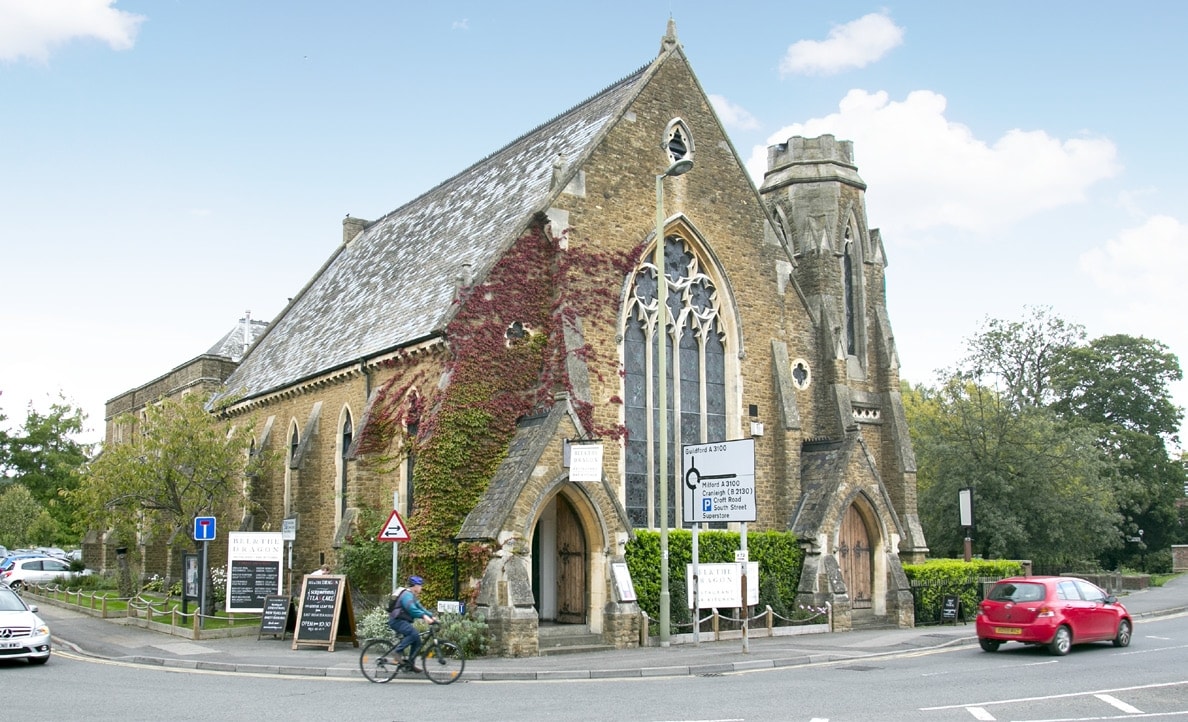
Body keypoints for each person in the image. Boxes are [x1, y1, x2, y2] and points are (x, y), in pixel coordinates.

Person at [387, 575, 437, 672]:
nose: (421, 587)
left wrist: (431, 616)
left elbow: (420, 607)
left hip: (402, 621)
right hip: (396, 621)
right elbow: (411, 609)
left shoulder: (412, 596)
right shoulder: (407, 595)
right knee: (413, 633)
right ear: (415, 586)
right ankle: (397, 652)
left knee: (417, 640)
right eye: (420, 585)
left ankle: (410, 664)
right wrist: (424, 616)